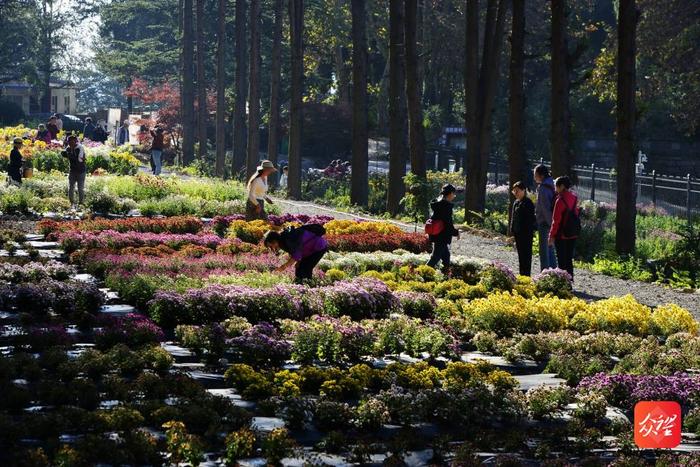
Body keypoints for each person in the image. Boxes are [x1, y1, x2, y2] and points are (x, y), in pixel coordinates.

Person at [263, 225, 328, 283]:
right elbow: (297, 250)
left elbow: (296, 254)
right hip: (310, 250)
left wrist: (281, 268)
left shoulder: (287, 240)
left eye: (271, 246)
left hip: (318, 248)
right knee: (299, 268)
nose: (272, 249)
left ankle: (307, 287)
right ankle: (300, 285)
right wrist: (299, 261)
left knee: (306, 268)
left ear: (275, 241)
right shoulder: (283, 241)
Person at [548, 175, 579, 280]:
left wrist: (551, 236)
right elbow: (576, 213)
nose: (555, 188)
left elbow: (555, 221)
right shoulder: (574, 198)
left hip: (561, 234)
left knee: (561, 260)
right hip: (573, 233)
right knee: (569, 258)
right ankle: (570, 280)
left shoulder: (560, 200)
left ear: (561, 186)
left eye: (556, 186)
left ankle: (562, 283)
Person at [426, 183, 460, 273]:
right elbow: (448, 223)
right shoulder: (446, 206)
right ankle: (421, 273)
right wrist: (456, 232)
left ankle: (446, 275)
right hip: (442, 235)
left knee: (446, 256)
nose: (454, 196)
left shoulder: (437, 204)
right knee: (435, 258)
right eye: (454, 194)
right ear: (450, 194)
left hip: (436, 234)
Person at [534, 164, 558, 270]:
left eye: (535, 174)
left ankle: (544, 274)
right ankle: (554, 272)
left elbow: (544, 208)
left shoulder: (543, 188)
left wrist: (549, 223)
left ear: (541, 175)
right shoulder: (552, 185)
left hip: (545, 222)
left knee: (544, 251)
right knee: (550, 249)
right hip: (551, 222)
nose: (534, 177)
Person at [510, 181, 536, 276]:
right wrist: (512, 231)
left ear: (523, 190)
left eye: (517, 191)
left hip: (526, 234)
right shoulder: (516, 202)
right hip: (517, 233)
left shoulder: (528, 203)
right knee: (520, 255)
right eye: (514, 191)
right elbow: (513, 217)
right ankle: (522, 275)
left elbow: (530, 221)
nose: (515, 193)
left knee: (526, 256)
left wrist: (527, 232)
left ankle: (526, 275)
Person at [61, 135, 87, 206]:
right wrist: (66, 154)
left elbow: (79, 160)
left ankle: (81, 203)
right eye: (69, 142)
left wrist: (69, 155)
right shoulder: (68, 148)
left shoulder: (80, 148)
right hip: (72, 170)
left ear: (75, 142)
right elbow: (67, 155)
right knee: (71, 187)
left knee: (80, 188)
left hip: (80, 171)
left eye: (72, 142)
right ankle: (71, 202)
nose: (70, 143)